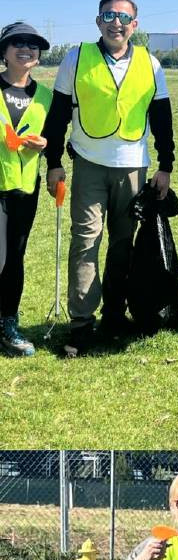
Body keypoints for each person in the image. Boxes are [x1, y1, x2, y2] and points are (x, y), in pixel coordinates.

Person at [40, 0, 174, 354]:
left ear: (135, 23)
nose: (117, 22)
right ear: (98, 21)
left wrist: (166, 165)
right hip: (88, 164)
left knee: (122, 244)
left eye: (124, 17)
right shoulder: (76, 58)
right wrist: (54, 162)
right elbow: (56, 117)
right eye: (109, 15)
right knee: (85, 240)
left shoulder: (151, 63)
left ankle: (114, 315)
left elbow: (161, 118)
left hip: (133, 165)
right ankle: (82, 322)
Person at [0, 22, 53, 357]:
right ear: (3, 52)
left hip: (23, 190)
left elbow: (55, 138)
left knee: (14, 258)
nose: (26, 49)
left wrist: (45, 144)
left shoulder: (45, 96)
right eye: (17, 43)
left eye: (32, 44)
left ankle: (8, 323)